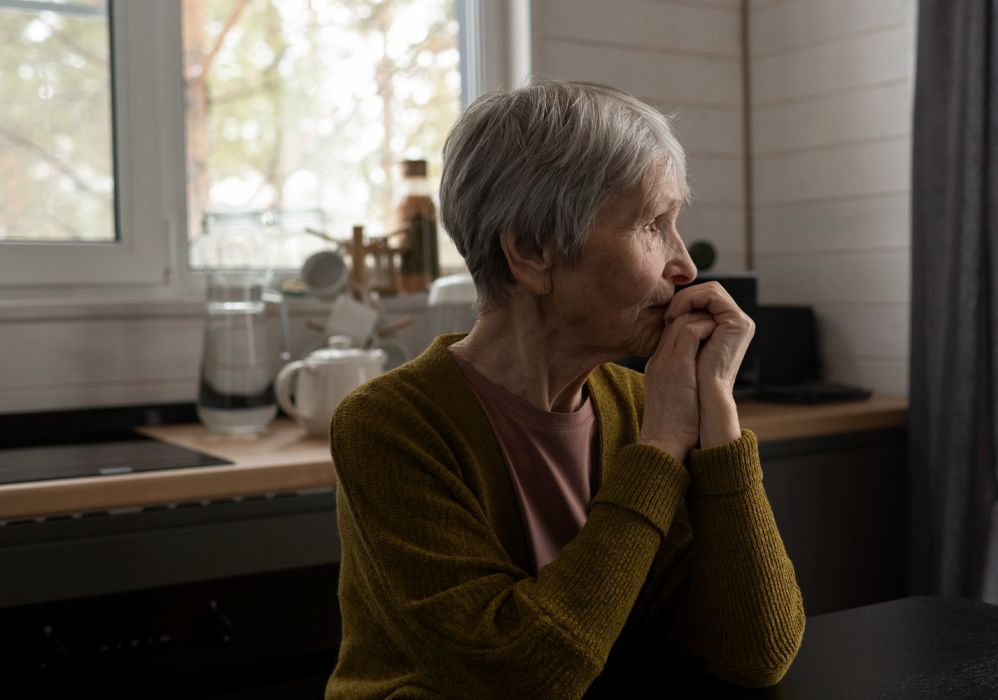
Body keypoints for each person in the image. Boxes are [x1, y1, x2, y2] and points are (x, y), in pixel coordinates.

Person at [325, 80, 806, 699]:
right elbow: (519, 675)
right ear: (531, 252)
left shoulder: (638, 404)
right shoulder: (388, 425)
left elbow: (757, 654)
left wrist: (717, 412)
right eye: (653, 225)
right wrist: (659, 450)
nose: (684, 265)